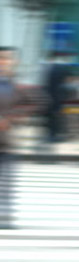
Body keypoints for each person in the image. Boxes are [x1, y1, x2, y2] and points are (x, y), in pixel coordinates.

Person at [0, 46, 26, 230]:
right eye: (2, 58)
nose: (5, 61)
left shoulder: (14, 84)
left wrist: (14, 118)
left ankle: (6, 216)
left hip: (7, 141)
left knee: (7, 182)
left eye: (8, 58)